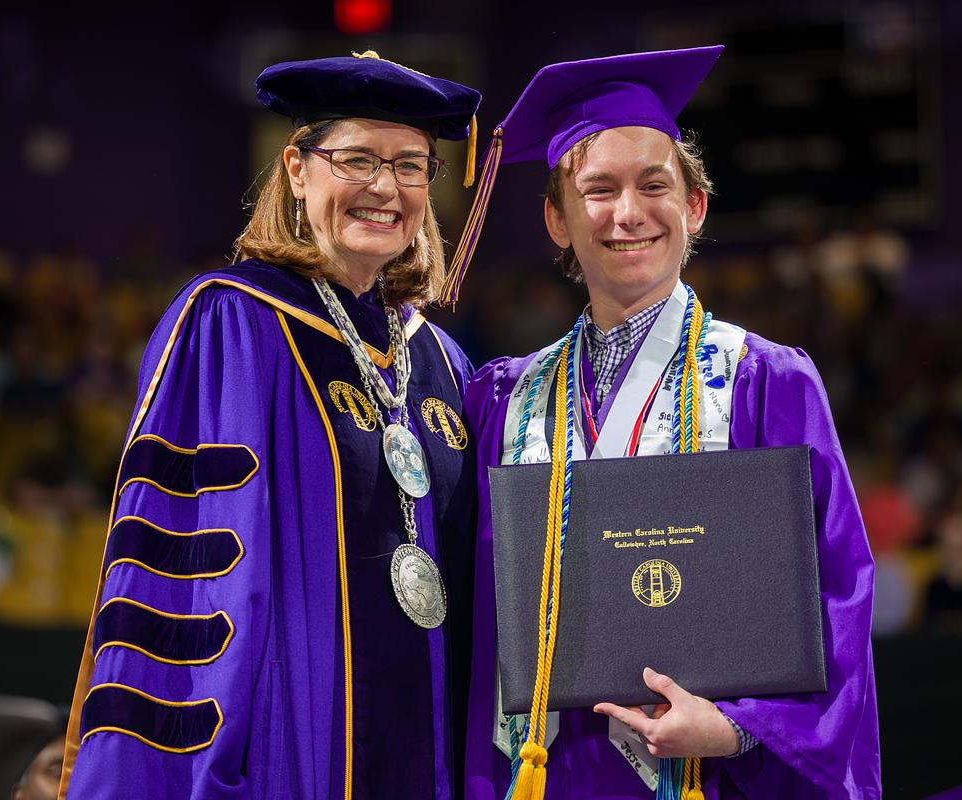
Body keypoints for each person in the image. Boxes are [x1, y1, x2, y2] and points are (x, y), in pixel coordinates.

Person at [452, 48, 880, 798]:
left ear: (696, 206)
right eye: (598, 190)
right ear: (556, 218)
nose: (628, 213)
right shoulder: (502, 400)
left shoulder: (762, 380)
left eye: (655, 184)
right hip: (542, 774)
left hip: (705, 776)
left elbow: (838, 593)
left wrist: (742, 728)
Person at [60, 51, 481, 798]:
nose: (386, 187)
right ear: (296, 168)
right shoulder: (233, 323)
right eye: (357, 158)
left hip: (434, 753)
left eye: (412, 166)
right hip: (293, 756)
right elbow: (192, 581)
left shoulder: (441, 359)